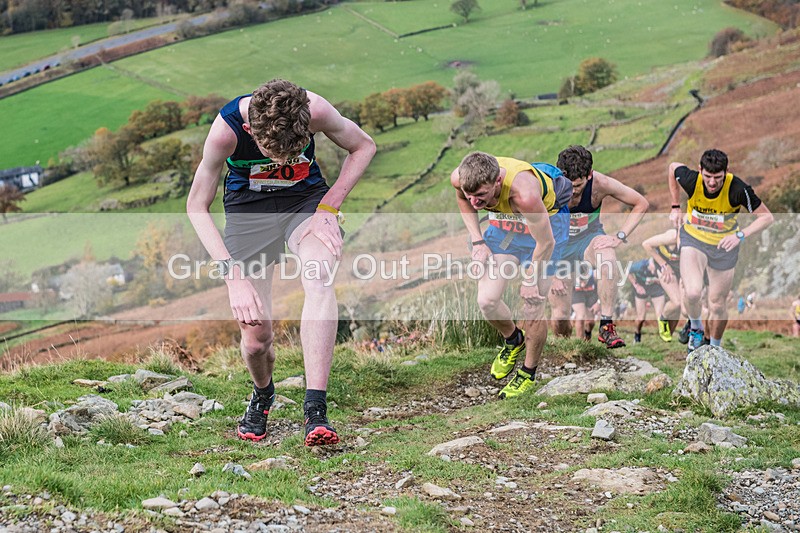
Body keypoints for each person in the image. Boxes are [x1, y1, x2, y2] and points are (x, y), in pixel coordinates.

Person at [187, 79, 376, 445]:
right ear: (249, 130)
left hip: (305, 202)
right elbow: (196, 206)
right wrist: (233, 278)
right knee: (257, 338)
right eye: (271, 152)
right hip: (248, 209)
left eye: (290, 153)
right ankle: (263, 394)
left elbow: (364, 146)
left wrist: (329, 207)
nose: (280, 162)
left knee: (319, 276)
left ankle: (315, 409)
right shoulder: (225, 131)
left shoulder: (316, 109)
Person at [451, 152, 571, 399]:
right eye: (470, 194)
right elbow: (463, 199)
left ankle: (527, 373)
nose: (474, 202)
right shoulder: (460, 179)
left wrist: (529, 279)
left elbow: (545, 243)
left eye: (481, 196)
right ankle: (513, 339)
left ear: (497, 182)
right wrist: (478, 242)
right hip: (506, 226)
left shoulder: (524, 194)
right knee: (487, 300)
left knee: (532, 304)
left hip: (546, 228)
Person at [668, 149, 773, 352]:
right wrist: (675, 206)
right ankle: (696, 330)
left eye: (718, 177)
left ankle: (715, 349)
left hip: (724, 246)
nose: (713, 183)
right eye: (708, 177)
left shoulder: (738, 189)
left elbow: (767, 217)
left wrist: (739, 235)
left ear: (726, 172)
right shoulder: (691, 180)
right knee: (692, 293)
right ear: (700, 171)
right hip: (694, 239)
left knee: (717, 304)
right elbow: (672, 168)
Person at [549, 145, 649, 348]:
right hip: (557, 247)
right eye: (568, 186)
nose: (572, 192)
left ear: (590, 175)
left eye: (578, 186)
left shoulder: (601, 184)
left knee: (608, 257)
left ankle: (606, 325)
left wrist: (620, 236)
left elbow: (641, 203)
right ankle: (566, 349)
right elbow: (534, 232)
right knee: (560, 317)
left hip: (588, 240)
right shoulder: (547, 188)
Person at [642, 228, 683, 342]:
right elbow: (646, 244)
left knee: (681, 307)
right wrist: (664, 264)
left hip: (682, 270)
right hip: (665, 268)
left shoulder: (694, 239)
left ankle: (674, 332)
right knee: (677, 302)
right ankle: (662, 317)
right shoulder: (671, 236)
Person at [627, 257, 668, 343]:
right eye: (653, 269)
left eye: (656, 270)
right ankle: (637, 335)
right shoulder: (639, 266)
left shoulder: (663, 266)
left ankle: (665, 337)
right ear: (650, 264)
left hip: (656, 288)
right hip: (642, 288)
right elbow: (628, 272)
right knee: (641, 318)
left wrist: (657, 280)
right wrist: (636, 285)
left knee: (660, 316)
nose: (653, 272)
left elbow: (668, 280)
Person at [572, 270, 599, 341]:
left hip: (592, 294)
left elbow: (605, 289)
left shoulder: (596, 275)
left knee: (590, 322)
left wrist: (599, 303)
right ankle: (579, 343)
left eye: (584, 281)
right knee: (580, 317)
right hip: (577, 293)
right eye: (581, 281)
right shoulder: (571, 274)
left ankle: (588, 333)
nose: (583, 285)